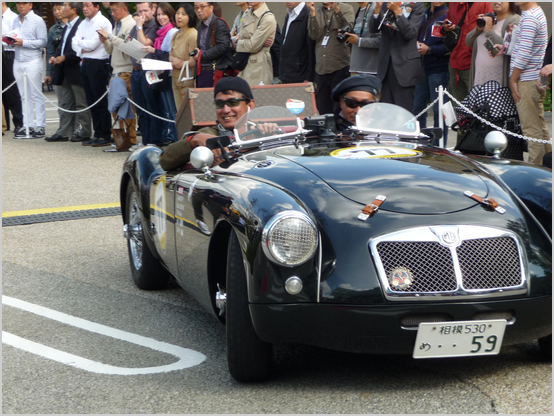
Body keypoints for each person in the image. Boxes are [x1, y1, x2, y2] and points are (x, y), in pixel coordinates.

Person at [159, 77, 256, 171]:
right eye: (219, 104)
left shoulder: (264, 130)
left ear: (250, 105)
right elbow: (164, 160)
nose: (225, 110)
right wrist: (192, 142)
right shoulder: (207, 134)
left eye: (233, 102)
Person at [509, 2, 550, 166]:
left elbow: (524, 54)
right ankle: (548, 168)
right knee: (540, 128)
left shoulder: (530, 17)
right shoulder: (534, 12)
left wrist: (513, 80)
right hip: (535, 78)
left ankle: (535, 174)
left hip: (527, 80)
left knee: (531, 132)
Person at [45, 2, 92, 143]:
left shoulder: (82, 25)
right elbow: (63, 46)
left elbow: (81, 49)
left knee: (81, 103)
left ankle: (85, 131)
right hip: (64, 69)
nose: (62, 10)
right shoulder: (67, 26)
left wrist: (65, 57)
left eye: (65, 7)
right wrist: (56, 56)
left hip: (77, 69)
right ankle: (64, 131)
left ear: (73, 10)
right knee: (66, 103)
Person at [368, 2, 425, 114]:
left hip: (405, 67)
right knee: (386, 113)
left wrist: (397, 11)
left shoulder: (416, 4)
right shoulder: (385, 4)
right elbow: (373, 29)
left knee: (403, 112)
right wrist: (378, 8)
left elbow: (410, 33)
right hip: (385, 65)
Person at [72, 2, 113, 147]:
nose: (84, 8)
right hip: (85, 62)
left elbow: (93, 45)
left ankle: (106, 134)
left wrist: (81, 44)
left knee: (100, 100)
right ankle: (97, 133)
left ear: (97, 7)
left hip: (99, 63)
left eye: (88, 5)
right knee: (91, 100)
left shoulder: (103, 22)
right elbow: (74, 41)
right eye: (83, 5)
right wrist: (82, 48)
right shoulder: (83, 23)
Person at [98, 2, 137, 151]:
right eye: (111, 11)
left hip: (127, 70)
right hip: (116, 69)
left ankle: (131, 139)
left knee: (128, 107)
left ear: (124, 9)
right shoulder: (118, 24)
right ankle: (121, 139)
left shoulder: (131, 24)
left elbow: (128, 47)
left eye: (115, 11)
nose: (112, 14)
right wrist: (105, 41)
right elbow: (111, 50)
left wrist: (111, 38)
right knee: (116, 106)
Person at [130, 1, 168, 148]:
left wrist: (139, 26)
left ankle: (155, 140)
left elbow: (144, 43)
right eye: (139, 12)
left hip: (150, 70)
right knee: (141, 109)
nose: (142, 15)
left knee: (152, 106)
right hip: (136, 70)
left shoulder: (154, 26)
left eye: (145, 11)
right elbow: (130, 41)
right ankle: (146, 140)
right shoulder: (136, 26)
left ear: (152, 10)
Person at [307, 2, 355, 115]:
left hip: (339, 64)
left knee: (339, 105)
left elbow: (347, 30)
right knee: (323, 105)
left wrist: (337, 10)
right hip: (321, 65)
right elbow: (313, 35)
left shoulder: (346, 8)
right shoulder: (317, 10)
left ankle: (339, 131)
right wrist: (312, 13)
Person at [442, 2, 494, 104]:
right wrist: (445, 28)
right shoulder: (453, 4)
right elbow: (448, 26)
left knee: (477, 107)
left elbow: (492, 32)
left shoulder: (485, 3)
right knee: (457, 108)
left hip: (475, 64)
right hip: (455, 63)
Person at [412, 2, 450, 143]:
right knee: (417, 109)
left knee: (439, 112)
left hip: (439, 69)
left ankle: (439, 148)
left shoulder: (448, 15)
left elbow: (450, 46)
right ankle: (420, 145)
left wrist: (430, 50)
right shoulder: (422, 14)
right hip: (419, 68)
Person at [142, 2, 178, 143]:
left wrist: (154, 51)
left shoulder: (172, 31)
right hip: (160, 74)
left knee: (171, 111)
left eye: (164, 14)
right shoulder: (161, 31)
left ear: (170, 15)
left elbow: (168, 54)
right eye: (158, 14)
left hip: (169, 74)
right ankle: (168, 138)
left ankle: (174, 140)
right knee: (166, 111)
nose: (161, 17)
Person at [11, 2, 47, 138]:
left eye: (24, 3)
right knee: (23, 95)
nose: (21, 6)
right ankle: (28, 125)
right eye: (18, 3)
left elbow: (43, 41)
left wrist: (24, 42)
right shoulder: (15, 20)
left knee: (36, 93)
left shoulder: (37, 20)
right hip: (18, 58)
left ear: (30, 5)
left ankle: (41, 125)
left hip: (32, 59)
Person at [466, 2, 521, 89]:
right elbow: (468, 42)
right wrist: (479, 28)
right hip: (480, 76)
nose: (497, 2)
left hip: (499, 79)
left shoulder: (514, 20)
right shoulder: (489, 18)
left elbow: (510, 46)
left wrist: (489, 31)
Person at [188, 2, 232, 88]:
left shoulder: (219, 23)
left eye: (202, 6)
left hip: (215, 72)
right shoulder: (201, 26)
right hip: (202, 72)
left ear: (211, 8)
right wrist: (195, 77)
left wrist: (202, 55)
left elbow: (223, 46)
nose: (199, 10)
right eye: (196, 8)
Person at [234, 2, 277, 86]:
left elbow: (252, 45)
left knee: (257, 97)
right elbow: (244, 38)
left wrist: (237, 42)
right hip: (243, 64)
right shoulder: (246, 14)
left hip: (258, 68)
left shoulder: (268, 18)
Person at [168, 3, 198, 111]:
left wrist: (179, 64)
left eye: (183, 14)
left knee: (187, 111)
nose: (179, 16)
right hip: (175, 77)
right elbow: (170, 56)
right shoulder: (175, 34)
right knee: (178, 110)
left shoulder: (193, 34)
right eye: (177, 13)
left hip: (187, 78)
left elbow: (193, 61)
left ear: (190, 16)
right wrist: (174, 61)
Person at [279, 2, 316, 84]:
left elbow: (312, 48)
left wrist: (310, 77)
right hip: (286, 72)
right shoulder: (289, 14)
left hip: (300, 75)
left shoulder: (307, 14)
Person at [2, 2, 24, 135]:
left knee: (12, 90)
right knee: (2, 92)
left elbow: (16, 37)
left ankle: (19, 122)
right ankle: (4, 124)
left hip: (9, 54)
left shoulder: (13, 17)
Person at [345, 2, 380, 76]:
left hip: (371, 71)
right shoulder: (359, 10)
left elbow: (381, 41)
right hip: (355, 68)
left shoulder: (376, 9)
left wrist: (359, 40)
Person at [44, 3, 66, 94]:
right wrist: (48, 73)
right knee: (62, 100)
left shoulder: (77, 25)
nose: (57, 12)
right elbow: (50, 51)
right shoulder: (53, 29)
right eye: (55, 10)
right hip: (58, 66)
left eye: (59, 9)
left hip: (73, 66)